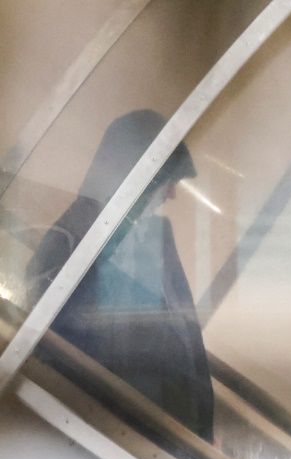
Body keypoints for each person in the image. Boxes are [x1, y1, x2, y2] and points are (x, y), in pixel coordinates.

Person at [26, 109, 215, 441]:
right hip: (111, 431)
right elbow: (58, 344)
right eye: (169, 179)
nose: (171, 194)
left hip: (170, 437)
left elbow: (188, 341)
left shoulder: (154, 240)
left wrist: (203, 431)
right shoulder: (73, 240)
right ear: (139, 175)